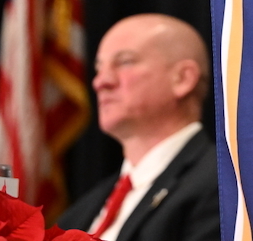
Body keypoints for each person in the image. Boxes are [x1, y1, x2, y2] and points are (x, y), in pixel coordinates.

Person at [54, 14, 220, 241]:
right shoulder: (81, 211)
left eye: (124, 62)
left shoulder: (221, 187)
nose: (100, 82)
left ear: (182, 78)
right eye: (99, 68)